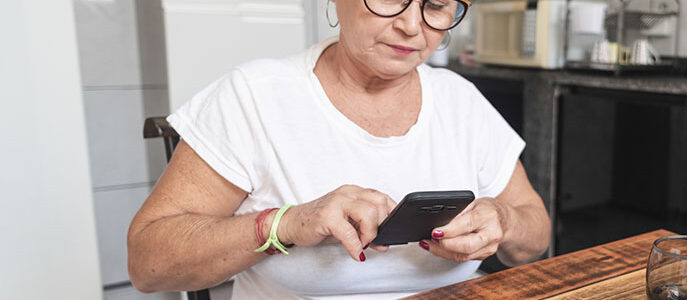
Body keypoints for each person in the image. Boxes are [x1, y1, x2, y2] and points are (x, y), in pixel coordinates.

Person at [126, 0, 551, 298]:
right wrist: (286, 225)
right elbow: (148, 264)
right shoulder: (254, 96)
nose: (410, 25)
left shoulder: (461, 100)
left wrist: (504, 220)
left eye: (436, 5)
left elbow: (535, 236)